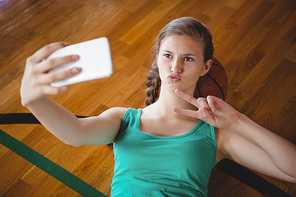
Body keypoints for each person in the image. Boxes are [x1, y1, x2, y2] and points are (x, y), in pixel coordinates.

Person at [20, 17, 296, 196]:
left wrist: (239, 122)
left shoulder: (216, 134)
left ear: (206, 67)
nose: (175, 66)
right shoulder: (123, 119)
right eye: (168, 55)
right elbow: (76, 133)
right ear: (158, 59)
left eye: (188, 59)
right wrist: (33, 99)